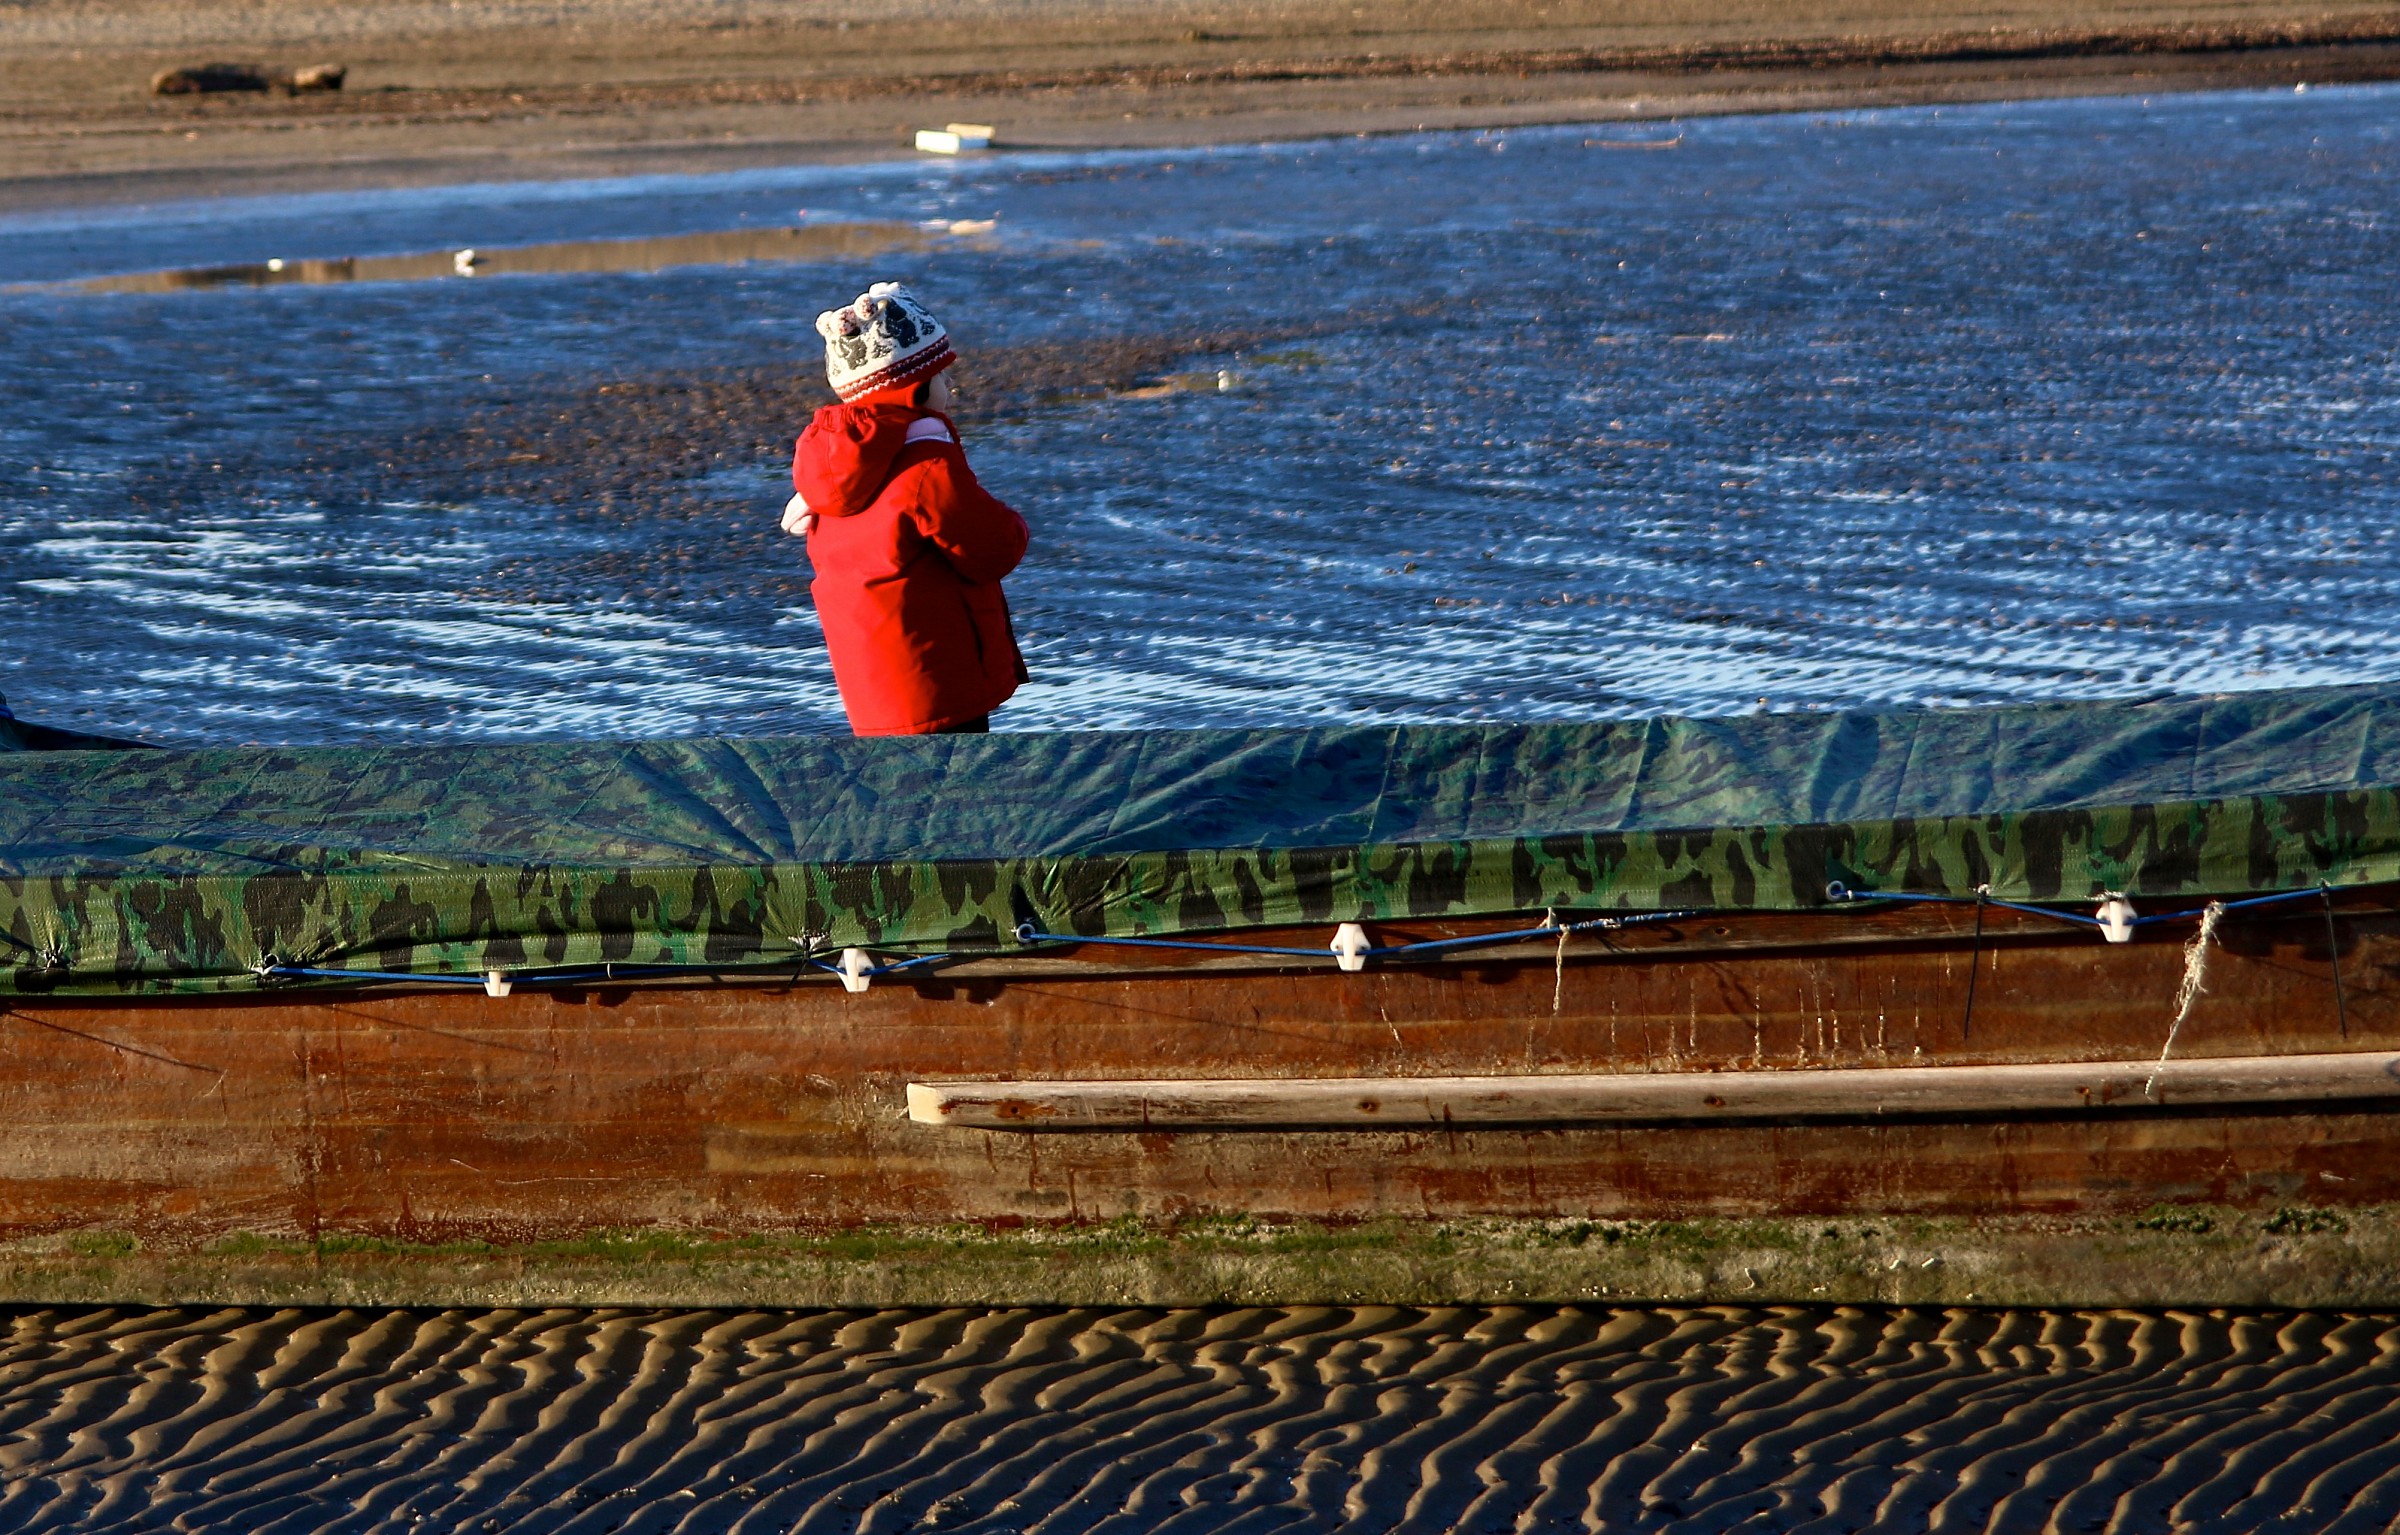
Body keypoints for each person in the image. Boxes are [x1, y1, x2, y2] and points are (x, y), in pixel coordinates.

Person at [783, 283, 1029, 736]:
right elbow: (989, 547)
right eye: (942, 377)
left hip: (872, 681)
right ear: (912, 389)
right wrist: (1015, 526)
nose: (950, 387)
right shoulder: (925, 467)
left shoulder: (835, 474)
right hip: (938, 674)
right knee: (955, 781)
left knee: (902, 786)